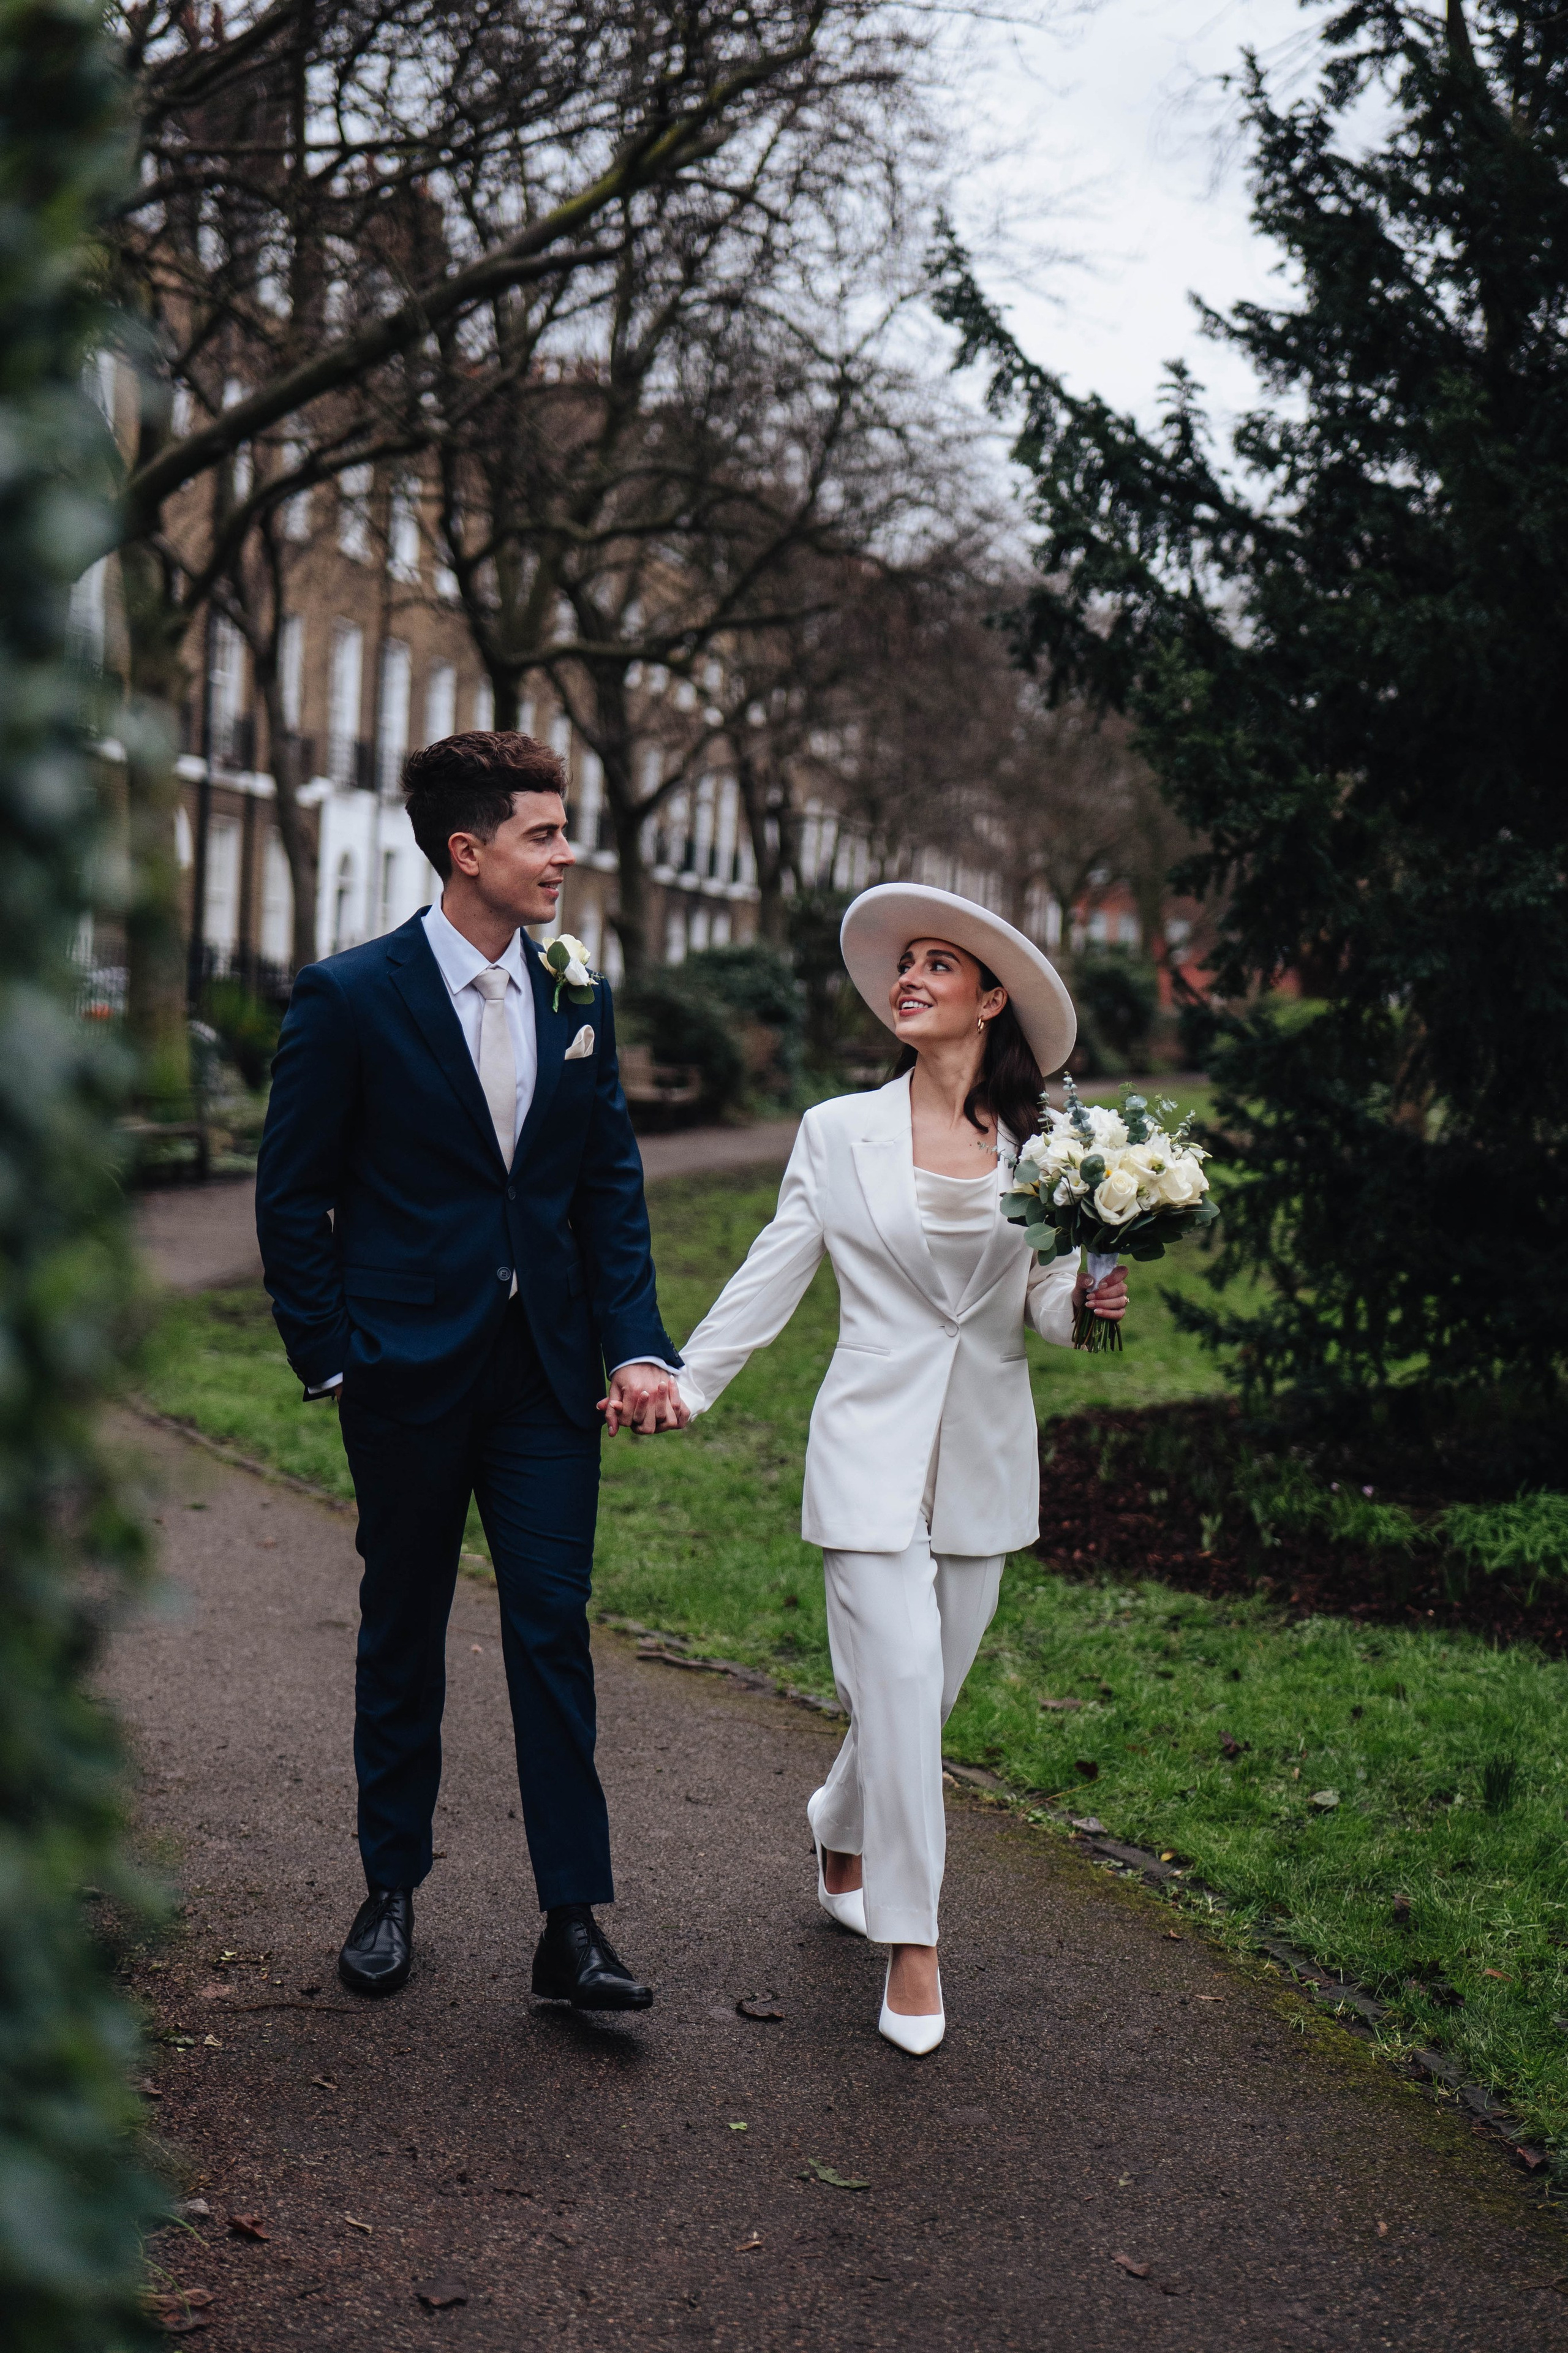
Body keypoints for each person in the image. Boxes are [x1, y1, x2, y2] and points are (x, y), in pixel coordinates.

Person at [255, 730, 688, 2013]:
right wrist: (333, 1358)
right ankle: (389, 1888)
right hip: (404, 1368)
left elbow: (605, 1182)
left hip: (548, 1375)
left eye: (563, 831)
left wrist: (636, 1340)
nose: (566, 855)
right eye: (543, 834)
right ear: (468, 851)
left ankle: (573, 1924)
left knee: (551, 1630)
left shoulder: (575, 991)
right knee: (403, 1630)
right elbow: (293, 1197)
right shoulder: (349, 997)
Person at [673, 883, 1128, 2053]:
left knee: (920, 1698)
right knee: (904, 1697)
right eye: (903, 963)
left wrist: (1089, 1297)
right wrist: (688, 1380)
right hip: (866, 1449)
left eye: (940, 963)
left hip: (981, 1453)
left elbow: (1045, 1307)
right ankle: (914, 1948)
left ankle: (838, 1815)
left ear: (990, 999)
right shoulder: (837, 1130)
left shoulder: (1049, 1152)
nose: (910, 977)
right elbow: (776, 1267)